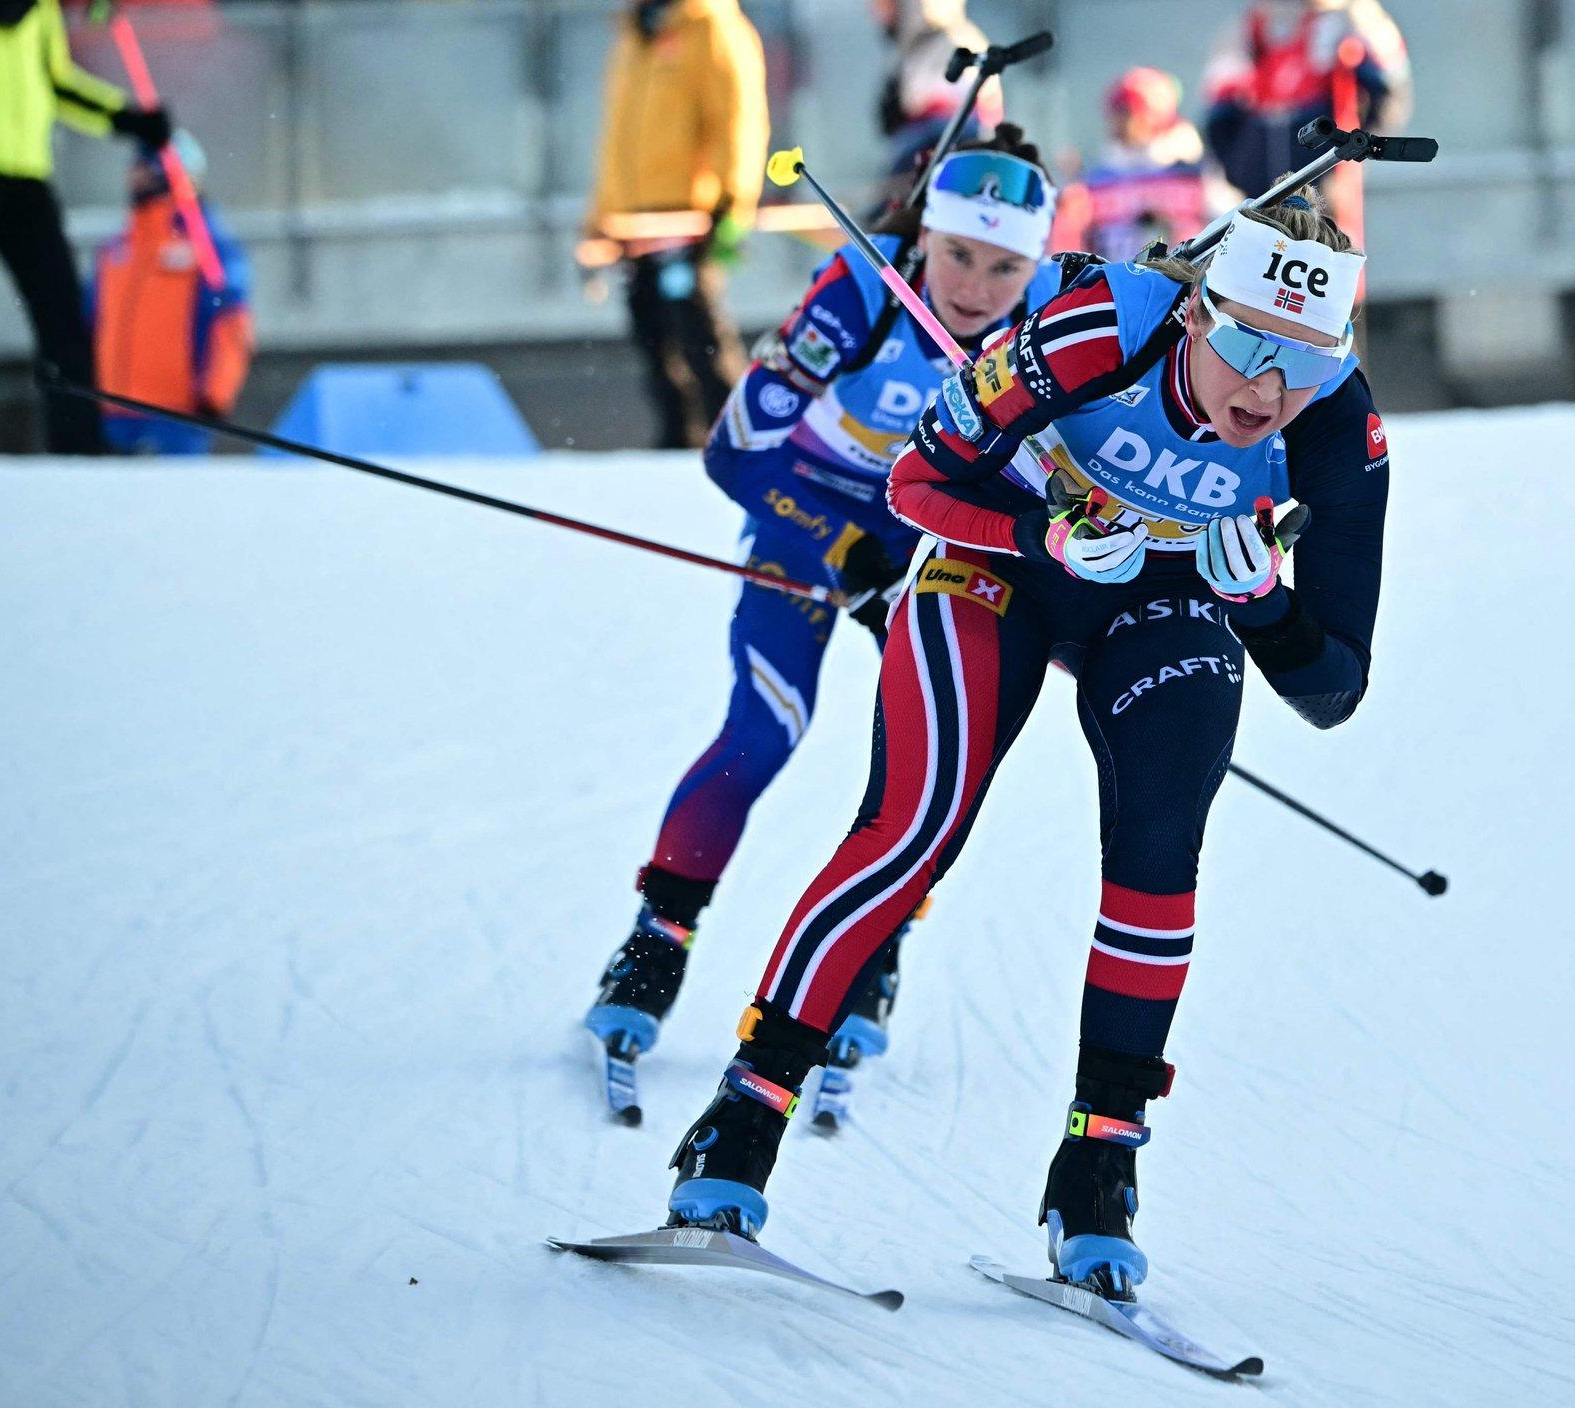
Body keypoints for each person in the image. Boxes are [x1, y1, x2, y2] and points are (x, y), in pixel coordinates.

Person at [658, 181, 1390, 1298]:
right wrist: (1037, 532)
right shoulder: (1100, 326)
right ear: (1194, 315)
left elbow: (1332, 686)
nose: (1269, 387)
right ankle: (744, 1116)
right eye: (1246, 340)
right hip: (997, 570)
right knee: (911, 828)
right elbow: (915, 479)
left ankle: (1097, 1171)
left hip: (1165, 602)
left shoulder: (1339, 425)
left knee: (1156, 861)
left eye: (1307, 355)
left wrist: (1266, 610)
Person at [585, 128, 1066, 1112]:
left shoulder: (1052, 320)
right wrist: (839, 550)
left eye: (1003, 266)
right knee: (763, 730)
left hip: (931, 541)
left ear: (1036, 263)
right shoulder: (860, 289)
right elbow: (735, 452)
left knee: (930, 770)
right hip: (808, 518)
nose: (975, 286)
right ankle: (653, 945)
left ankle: (872, 950)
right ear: (924, 235)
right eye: (959, 255)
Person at [0, 0, 171, 452]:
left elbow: (57, 84)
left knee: (62, 315)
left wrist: (124, 117)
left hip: (25, 178)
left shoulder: (38, 11)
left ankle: (78, 445)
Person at [585, 0, 768, 449]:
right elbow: (616, 143)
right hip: (633, 223)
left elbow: (735, 120)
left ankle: (735, 445)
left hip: (687, 219)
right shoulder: (632, 37)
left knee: (700, 341)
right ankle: (676, 445)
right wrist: (598, 220)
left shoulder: (711, 28)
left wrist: (731, 204)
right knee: (653, 345)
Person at [89, 134, 254, 454]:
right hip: (115, 415)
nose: (134, 176)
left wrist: (215, 395)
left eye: (145, 167)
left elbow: (232, 322)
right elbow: (92, 321)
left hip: (177, 417)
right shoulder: (116, 248)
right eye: (134, 167)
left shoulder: (209, 246)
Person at [1202, 0, 1411, 200]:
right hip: (1259, 165)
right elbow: (1218, 117)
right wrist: (1237, 171)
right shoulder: (1251, 27)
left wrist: (1348, 158)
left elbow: (1387, 99)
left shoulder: (1346, 22)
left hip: (1321, 167)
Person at [1050, 67, 1228, 266]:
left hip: (1182, 283)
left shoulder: (1191, 174)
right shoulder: (1096, 178)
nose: (1118, 121)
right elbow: (1071, 238)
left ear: (1154, 113)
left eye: (1127, 112)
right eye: (1116, 111)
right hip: (1115, 283)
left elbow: (1229, 224)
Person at [870, 0, 999, 182]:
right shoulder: (914, 51)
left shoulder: (951, 43)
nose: (876, 12)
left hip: (958, 153)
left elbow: (954, 117)